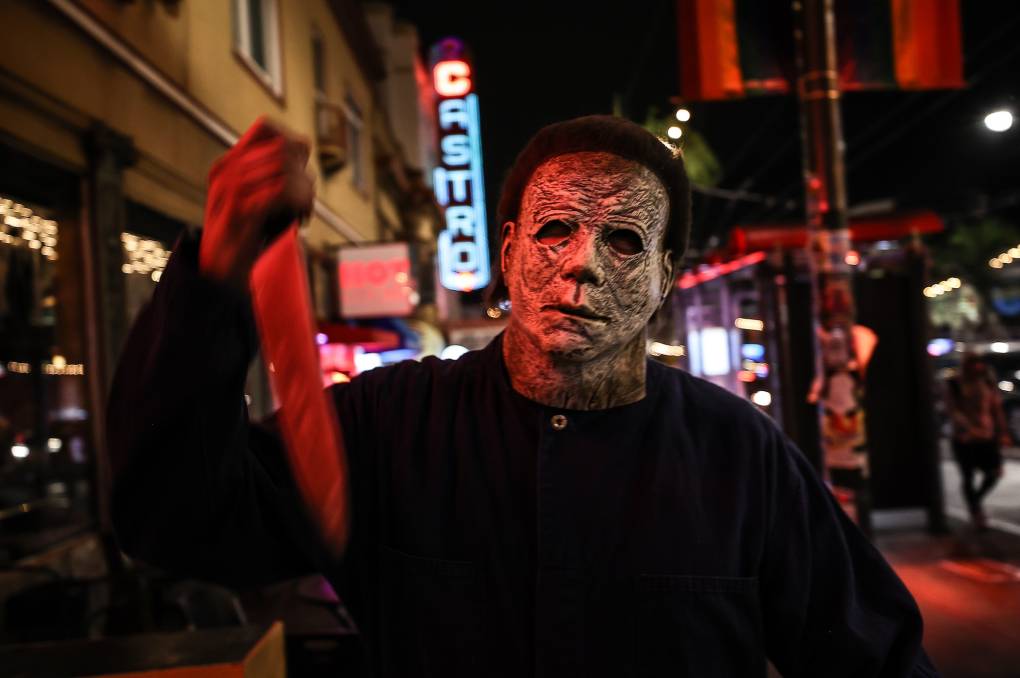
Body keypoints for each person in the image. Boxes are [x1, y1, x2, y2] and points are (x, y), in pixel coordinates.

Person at [108, 116, 938, 677]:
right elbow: (178, 517)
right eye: (555, 230)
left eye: (622, 240)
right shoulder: (389, 425)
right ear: (507, 254)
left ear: (663, 279)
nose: (581, 264)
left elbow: (873, 653)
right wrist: (216, 272)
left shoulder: (741, 458)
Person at [945, 353, 1009, 530]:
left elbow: (996, 409)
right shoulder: (955, 384)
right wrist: (966, 427)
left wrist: (1002, 432)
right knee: (968, 476)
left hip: (986, 435)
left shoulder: (987, 382)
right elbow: (952, 410)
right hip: (964, 438)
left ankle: (975, 502)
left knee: (994, 472)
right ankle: (976, 512)